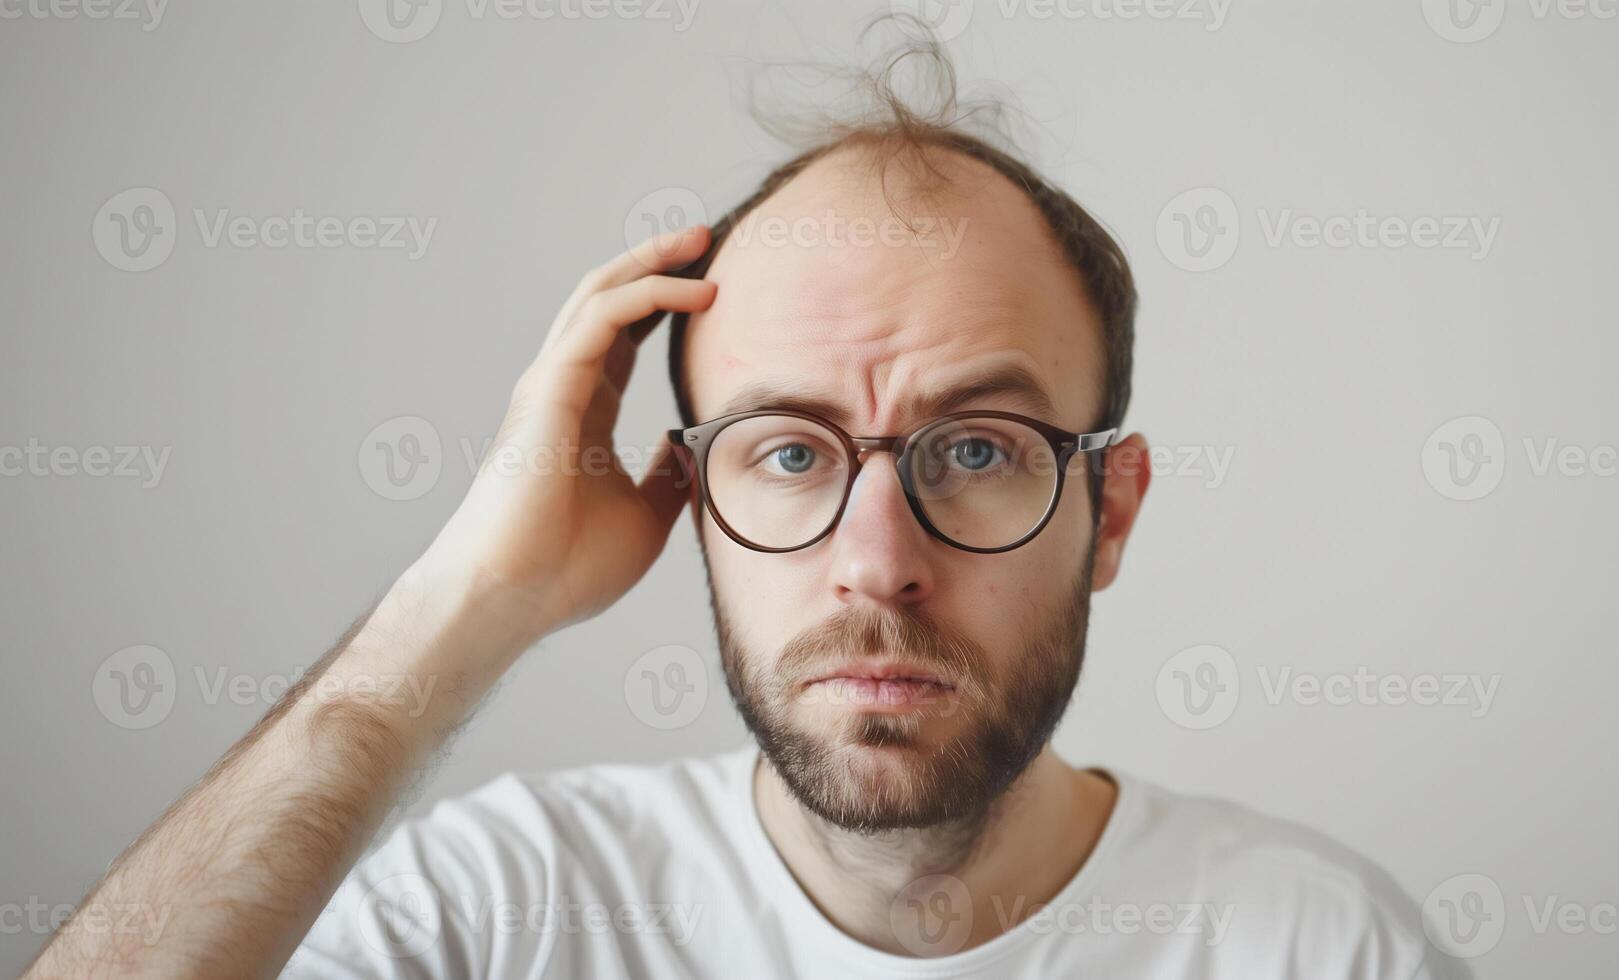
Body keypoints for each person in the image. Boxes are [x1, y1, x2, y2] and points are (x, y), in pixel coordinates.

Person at [28, 34, 1463, 980]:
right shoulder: (504, 908)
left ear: (1115, 510)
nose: (876, 565)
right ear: (692, 500)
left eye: (976, 450)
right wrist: (466, 602)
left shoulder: (1315, 945)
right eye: (787, 452)